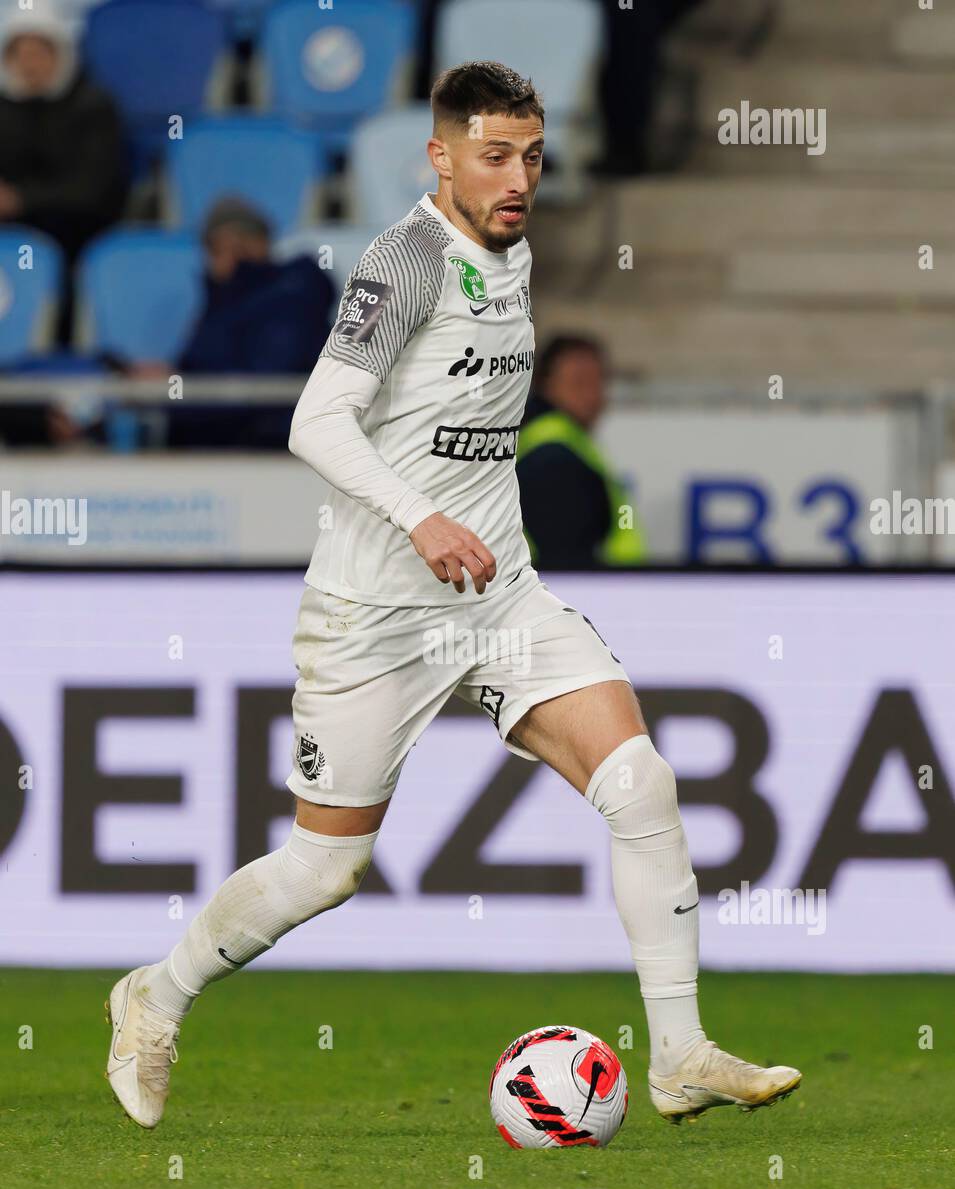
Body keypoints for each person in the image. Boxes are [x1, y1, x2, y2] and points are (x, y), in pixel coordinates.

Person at [105, 60, 800, 1131]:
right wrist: (420, 517)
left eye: (530, 154)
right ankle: (155, 993)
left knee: (641, 784)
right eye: (493, 155)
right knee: (324, 867)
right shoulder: (405, 262)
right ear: (440, 157)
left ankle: (677, 1054)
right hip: (376, 611)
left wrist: (465, 530)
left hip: (494, 598)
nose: (518, 175)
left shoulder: (512, 250)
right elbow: (315, 423)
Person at [161, 199, 336, 450]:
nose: (225, 255)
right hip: (218, 449)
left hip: (266, 454)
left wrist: (173, 393)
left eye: (233, 244)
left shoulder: (291, 299)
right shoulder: (225, 300)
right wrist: (170, 383)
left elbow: (258, 389)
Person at [0, 3, 126, 261]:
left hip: (77, 236)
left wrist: (22, 199)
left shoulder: (94, 108)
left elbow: (92, 189)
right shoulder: (4, 109)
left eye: (38, 54)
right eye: (20, 55)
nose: (30, 65)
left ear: (61, 55)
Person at [518, 335, 646, 569]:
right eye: (579, 382)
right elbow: (566, 560)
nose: (593, 395)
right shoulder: (553, 456)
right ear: (545, 386)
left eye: (599, 382)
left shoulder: (569, 441)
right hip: (589, 596)